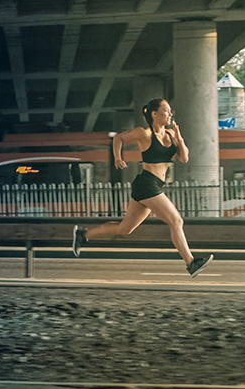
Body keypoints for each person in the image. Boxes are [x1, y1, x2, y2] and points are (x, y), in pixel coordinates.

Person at [72, 98, 214, 278]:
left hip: (153, 185)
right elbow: (119, 138)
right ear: (154, 114)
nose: (170, 113)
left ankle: (84, 235)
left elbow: (184, 158)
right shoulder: (144, 134)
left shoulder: (171, 134)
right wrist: (117, 157)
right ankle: (191, 262)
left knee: (125, 229)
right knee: (176, 221)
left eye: (170, 111)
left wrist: (180, 138)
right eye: (166, 110)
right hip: (147, 183)